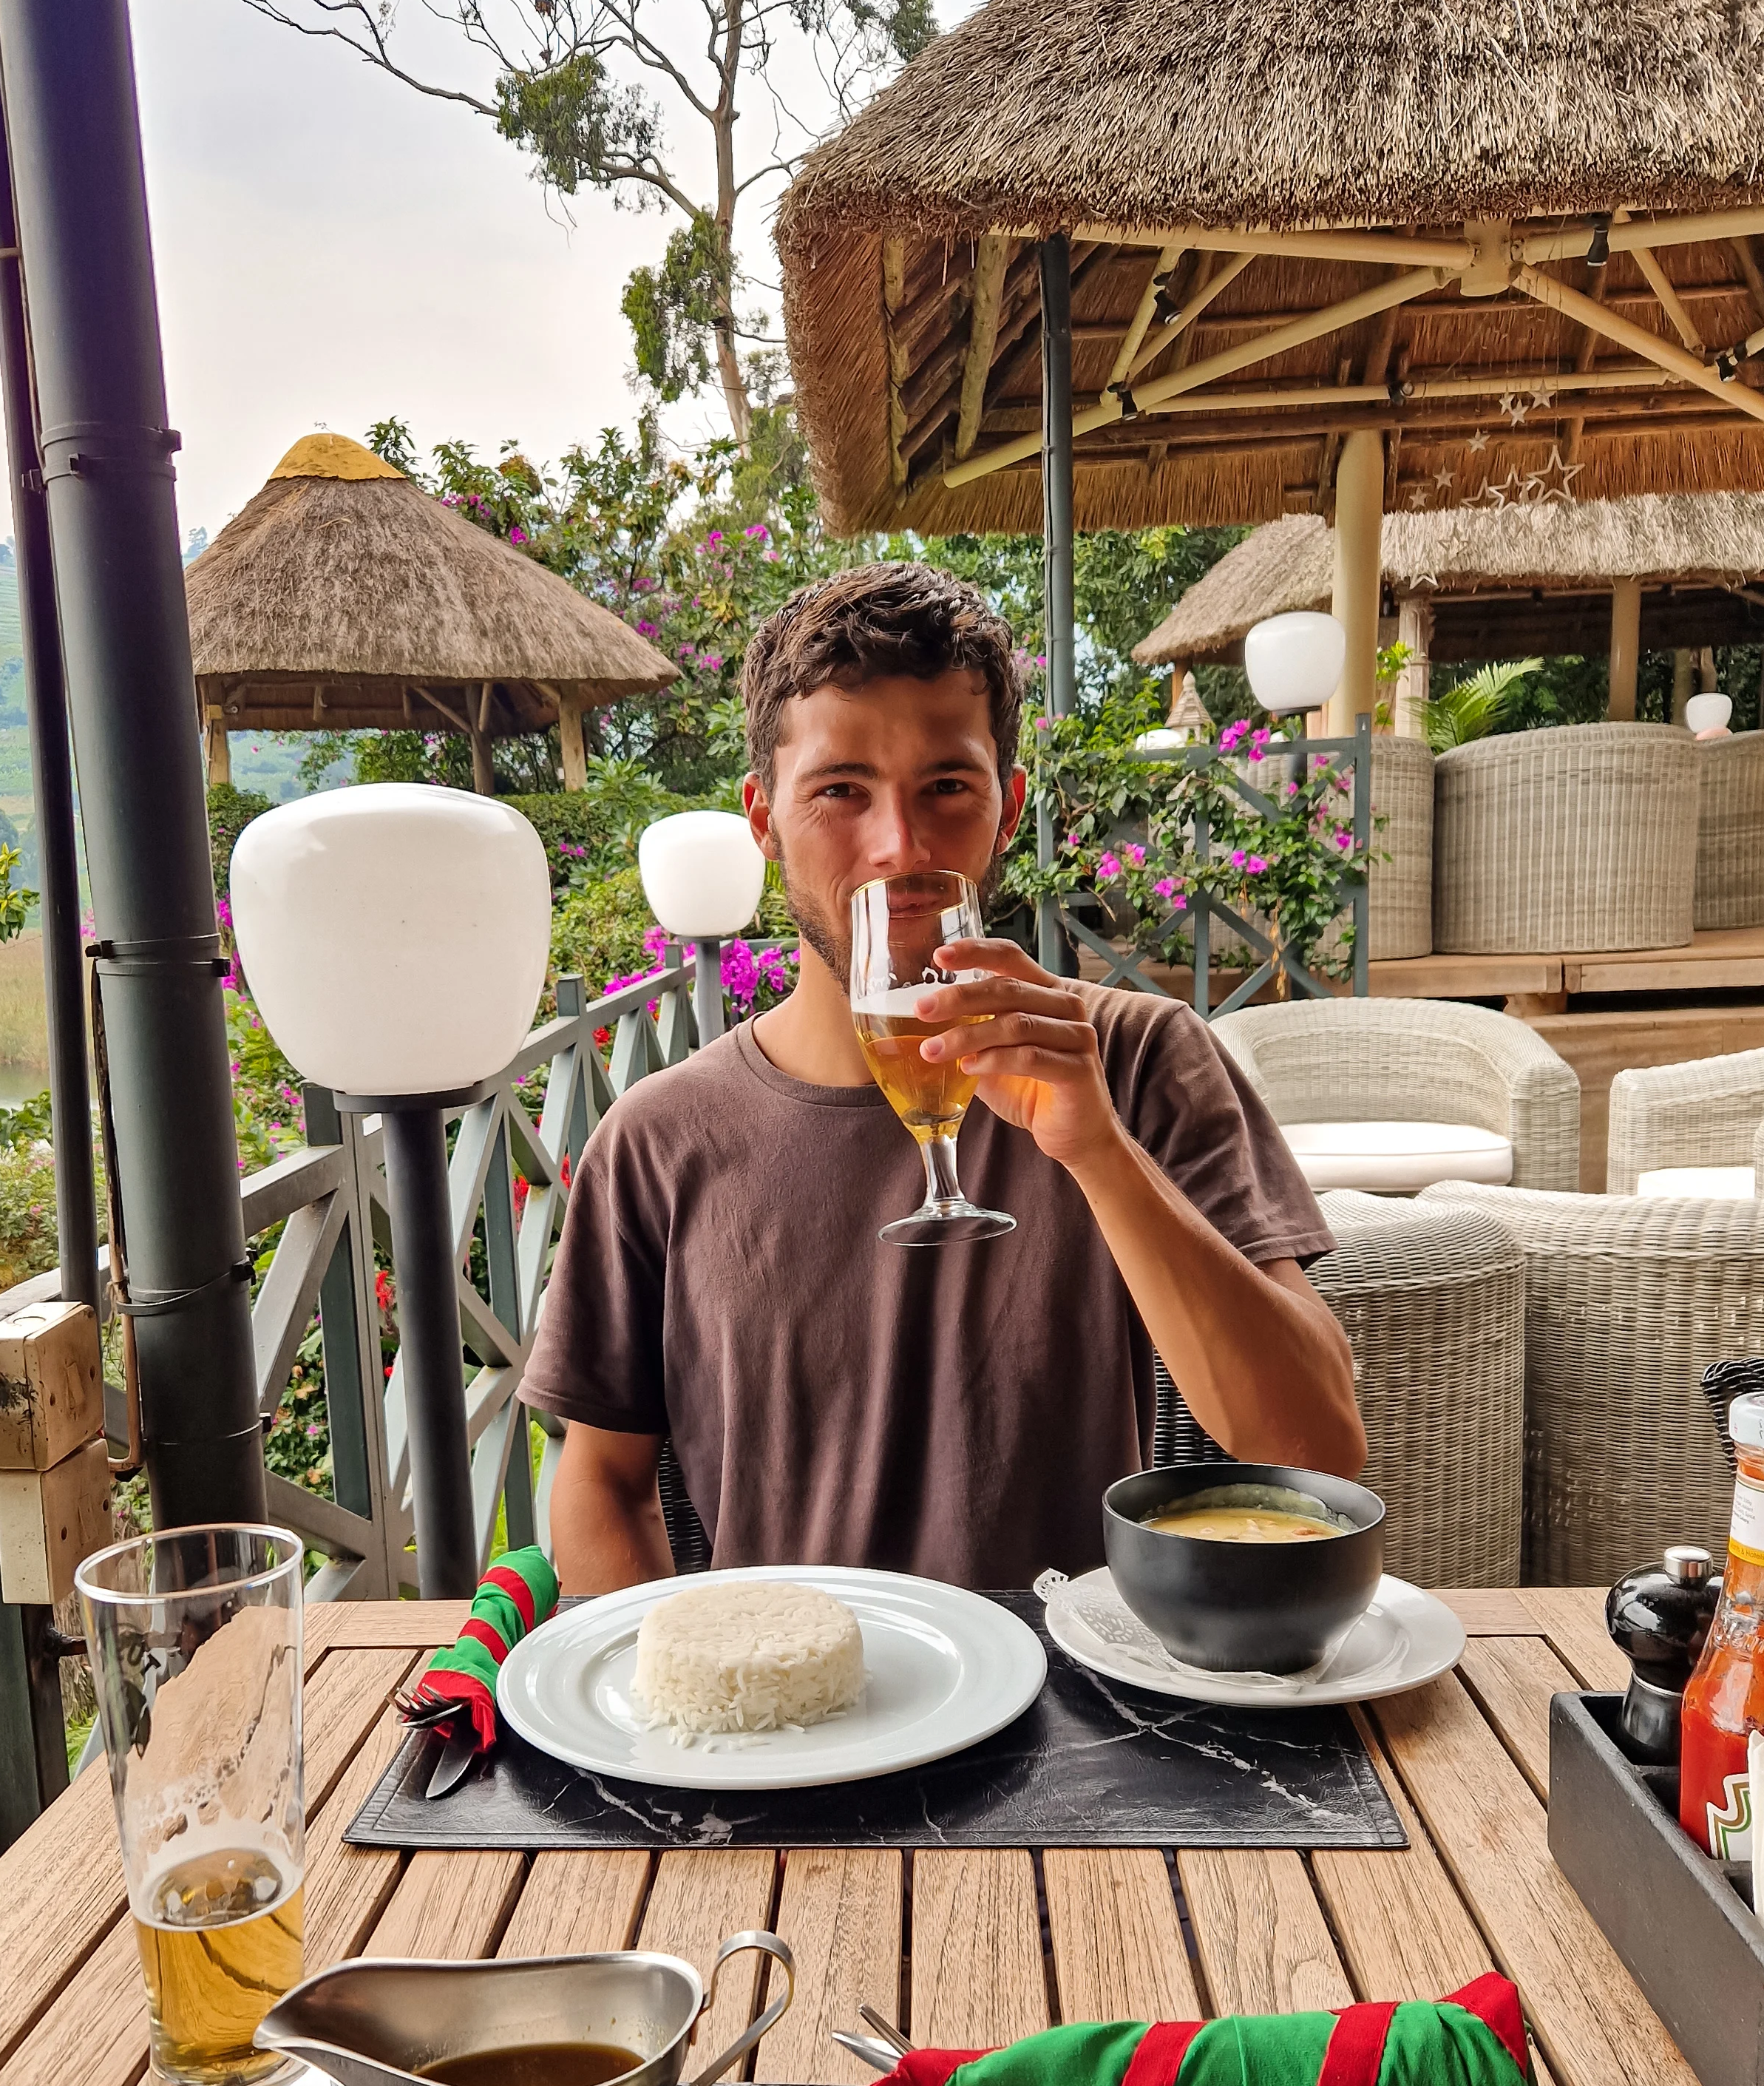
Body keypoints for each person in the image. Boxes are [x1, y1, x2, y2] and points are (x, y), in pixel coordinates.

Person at [522, 561, 1364, 1590]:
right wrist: (671, 1707)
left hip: (1078, 1721)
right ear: (762, 819)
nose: (901, 847)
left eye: (947, 788)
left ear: (1007, 809)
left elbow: (1317, 1446)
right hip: (790, 1733)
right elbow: (600, 1480)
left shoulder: (1139, 1058)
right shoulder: (660, 1140)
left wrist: (1098, 1152)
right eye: (841, 790)